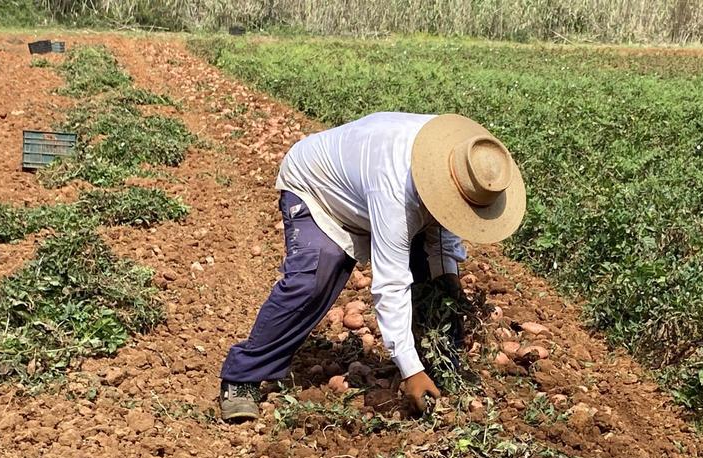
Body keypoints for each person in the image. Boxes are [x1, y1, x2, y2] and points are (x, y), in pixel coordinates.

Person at [218, 112, 526, 422]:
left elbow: (442, 240)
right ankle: (242, 377)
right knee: (314, 277)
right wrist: (410, 371)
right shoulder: (395, 188)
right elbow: (390, 283)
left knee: (437, 282)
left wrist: (450, 289)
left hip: (365, 187)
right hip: (316, 188)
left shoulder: (460, 162)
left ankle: (441, 362)